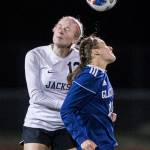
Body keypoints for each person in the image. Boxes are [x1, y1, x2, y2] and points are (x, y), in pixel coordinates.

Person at [20, 16, 84, 150]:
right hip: (37, 121)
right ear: (54, 29)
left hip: (67, 123)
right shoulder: (35, 55)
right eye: (59, 26)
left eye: (67, 29)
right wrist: (68, 106)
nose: (61, 31)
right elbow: (35, 96)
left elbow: (90, 90)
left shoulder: (82, 60)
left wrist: (105, 109)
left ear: (75, 39)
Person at [60, 35, 118, 150]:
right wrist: (83, 140)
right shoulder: (91, 76)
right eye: (105, 45)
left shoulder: (101, 73)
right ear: (95, 52)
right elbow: (66, 110)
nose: (110, 47)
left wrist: (106, 113)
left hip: (105, 141)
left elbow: (89, 104)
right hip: (95, 144)